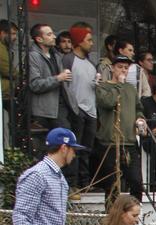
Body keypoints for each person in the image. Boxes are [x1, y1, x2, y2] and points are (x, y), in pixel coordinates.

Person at [94, 55, 146, 204]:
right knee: (112, 185)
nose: (123, 70)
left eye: (125, 67)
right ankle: (112, 219)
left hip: (129, 142)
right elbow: (108, 102)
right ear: (112, 68)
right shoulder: (103, 87)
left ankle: (134, 215)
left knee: (136, 181)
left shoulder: (131, 89)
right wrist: (118, 85)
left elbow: (138, 108)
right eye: (120, 67)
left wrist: (140, 118)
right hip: (109, 142)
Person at [64, 23, 99, 193]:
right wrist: (73, 108)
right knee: (75, 147)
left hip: (91, 110)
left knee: (87, 149)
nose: (92, 43)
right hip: (77, 109)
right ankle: (73, 183)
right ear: (79, 41)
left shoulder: (92, 63)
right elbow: (65, 86)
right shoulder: (69, 60)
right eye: (88, 40)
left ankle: (85, 182)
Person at [27, 24, 74, 134]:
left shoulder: (55, 55)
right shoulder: (33, 56)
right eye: (49, 34)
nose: (54, 37)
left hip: (60, 106)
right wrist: (58, 78)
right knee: (61, 140)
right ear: (39, 39)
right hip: (44, 110)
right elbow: (34, 84)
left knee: (67, 138)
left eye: (53, 33)